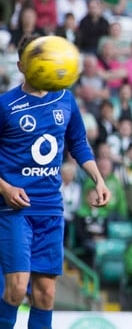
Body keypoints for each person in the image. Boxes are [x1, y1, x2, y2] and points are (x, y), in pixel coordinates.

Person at [0, 35, 111, 329]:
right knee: (15, 288)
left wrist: (98, 179)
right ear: (22, 65)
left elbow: (79, 143)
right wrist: (5, 188)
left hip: (50, 209)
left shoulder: (65, 98)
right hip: (15, 209)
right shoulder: (5, 105)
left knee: (46, 294)